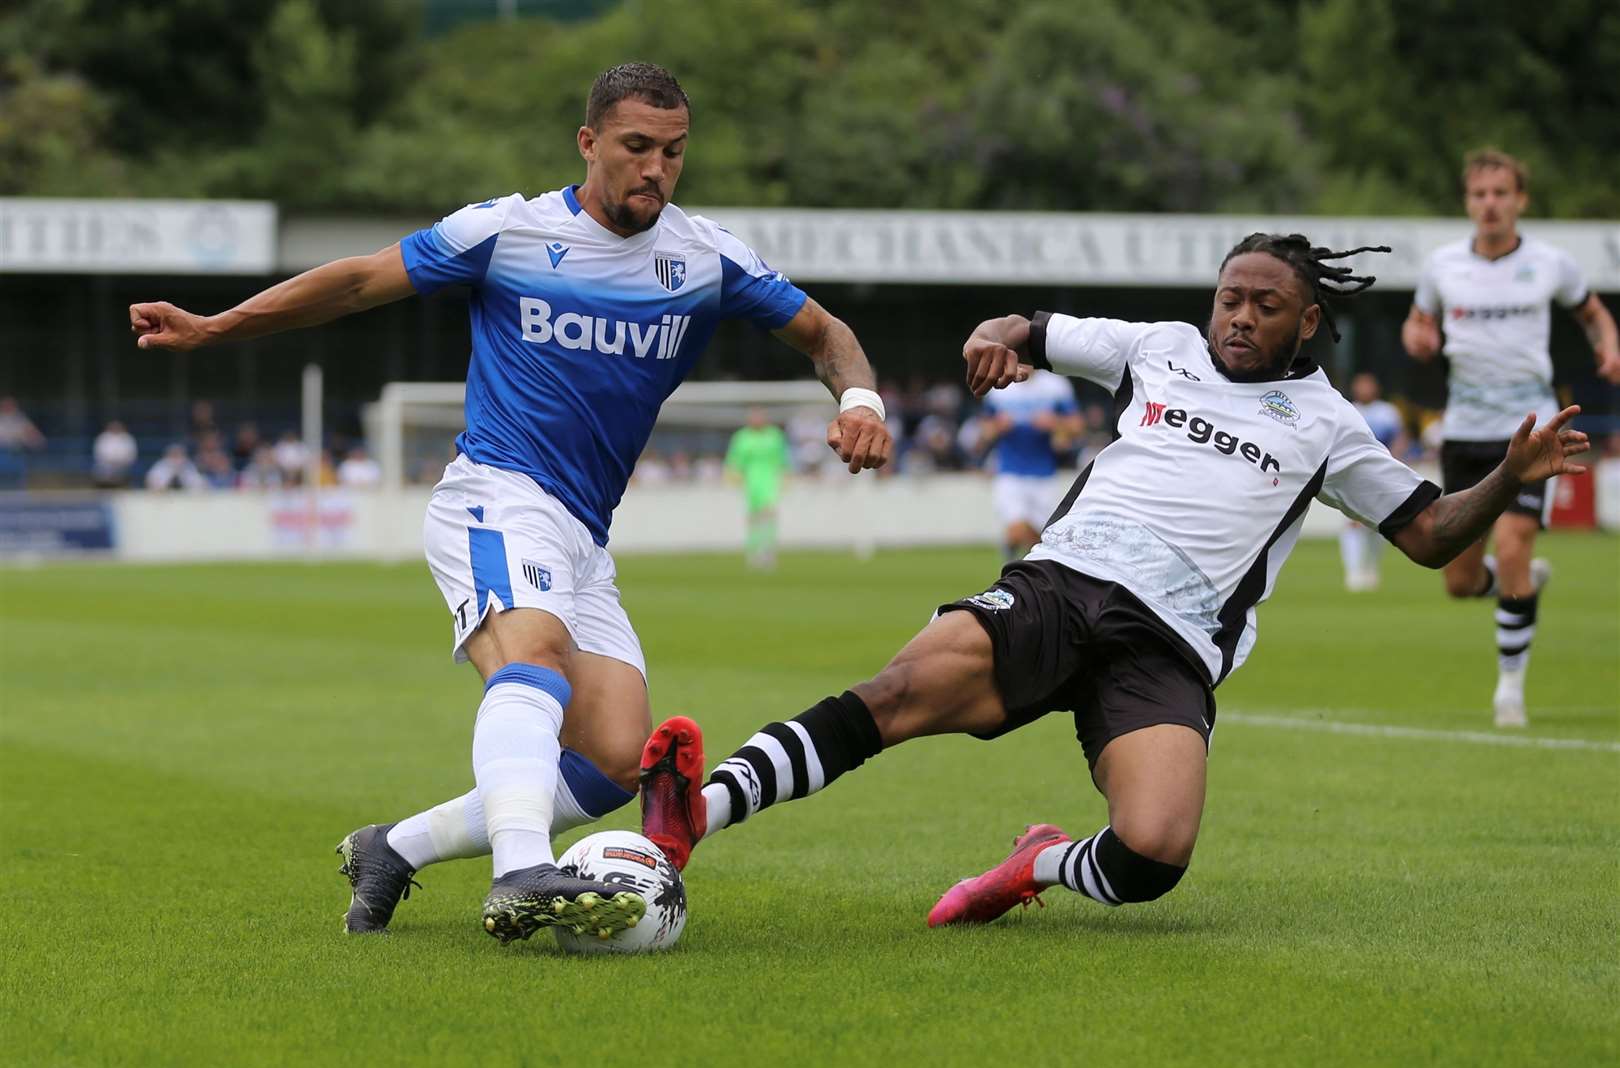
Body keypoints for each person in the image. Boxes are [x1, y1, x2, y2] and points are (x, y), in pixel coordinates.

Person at [128, 62, 892, 944]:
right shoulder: (508, 231)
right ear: (589, 143)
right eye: (636, 147)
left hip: (584, 533)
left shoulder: (704, 257)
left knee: (611, 756)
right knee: (533, 659)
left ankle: (395, 846)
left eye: (673, 152)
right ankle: (520, 871)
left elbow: (827, 333)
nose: (655, 169)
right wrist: (219, 326)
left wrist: (859, 403)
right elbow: (354, 282)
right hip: (493, 494)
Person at [638, 233, 1590, 930]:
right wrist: (996, 335)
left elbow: (1426, 532)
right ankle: (696, 815)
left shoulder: (1329, 424)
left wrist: (1507, 476)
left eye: (1265, 305)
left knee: (1153, 856)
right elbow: (1027, 324)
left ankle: (1037, 864)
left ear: (1308, 323)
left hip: (1171, 641)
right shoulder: (1156, 348)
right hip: (1063, 584)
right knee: (896, 692)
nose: (1240, 317)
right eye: (1230, 298)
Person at [1400, 148, 1620, 727]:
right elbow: (1417, 324)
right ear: (1468, 202)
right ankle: (1515, 586)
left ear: (1520, 199)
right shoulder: (1443, 266)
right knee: (1460, 580)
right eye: (1480, 194)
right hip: (1466, 435)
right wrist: (1417, 337)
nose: (1490, 204)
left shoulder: (1551, 262)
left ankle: (1509, 690)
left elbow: (1594, 313)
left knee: (1516, 542)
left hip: (1531, 430)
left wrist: (1609, 343)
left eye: (1501, 193)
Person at [978, 367, 1082, 560]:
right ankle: (1010, 562)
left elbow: (1076, 426)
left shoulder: (1055, 386)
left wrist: (1055, 423)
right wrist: (998, 426)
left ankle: (1020, 568)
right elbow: (985, 431)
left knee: (1039, 539)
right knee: (1016, 529)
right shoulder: (1000, 387)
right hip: (1010, 472)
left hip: (1044, 474)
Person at [1338, 372, 1410, 591]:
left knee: (1379, 524)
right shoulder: (1347, 409)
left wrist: (1393, 462)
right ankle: (1353, 572)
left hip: (1383, 474)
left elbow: (1400, 438)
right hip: (1353, 474)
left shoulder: (1387, 412)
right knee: (1353, 522)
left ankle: (1371, 567)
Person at [724, 407, 793, 569]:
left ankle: (767, 550)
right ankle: (753, 550)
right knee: (754, 517)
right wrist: (732, 475)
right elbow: (734, 459)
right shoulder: (742, 437)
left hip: (770, 478)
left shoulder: (774, 435)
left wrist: (786, 475)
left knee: (769, 514)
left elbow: (783, 457)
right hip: (751, 480)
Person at [92, 420, 139, 489]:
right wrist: (111, 461)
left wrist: (120, 461)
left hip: (123, 465)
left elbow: (131, 454)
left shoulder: (127, 438)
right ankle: (103, 489)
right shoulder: (103, 437)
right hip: (106, 465)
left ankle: (123, 487)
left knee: (123, 472)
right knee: (100, 470)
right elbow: (99, 454)